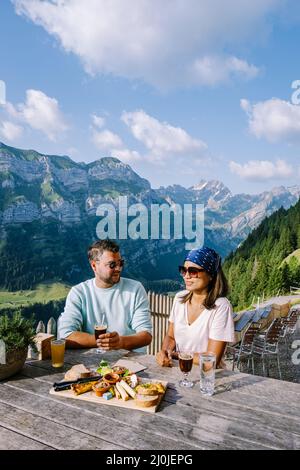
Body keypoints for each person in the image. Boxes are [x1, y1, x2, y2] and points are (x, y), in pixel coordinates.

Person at [58, 239, 152, 352]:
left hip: (131, 362)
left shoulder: (135, 289)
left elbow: (146, 335)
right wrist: (106, 342)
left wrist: (120, 342)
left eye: (120, 263)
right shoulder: (79, 292)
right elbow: (66, 335)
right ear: (94, 266)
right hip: (93, 361)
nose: (118, 268)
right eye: (112, 264)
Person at [156, 246, 235, 368]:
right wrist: (165, 352)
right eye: (183, 270)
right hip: (179, 370)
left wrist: (177, 355)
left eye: (193, 271)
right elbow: (171, 337)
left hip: (208, 378)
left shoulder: (221, 307)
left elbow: (210, 361)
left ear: (210, 275)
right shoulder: (179, 299)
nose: (186, 276)